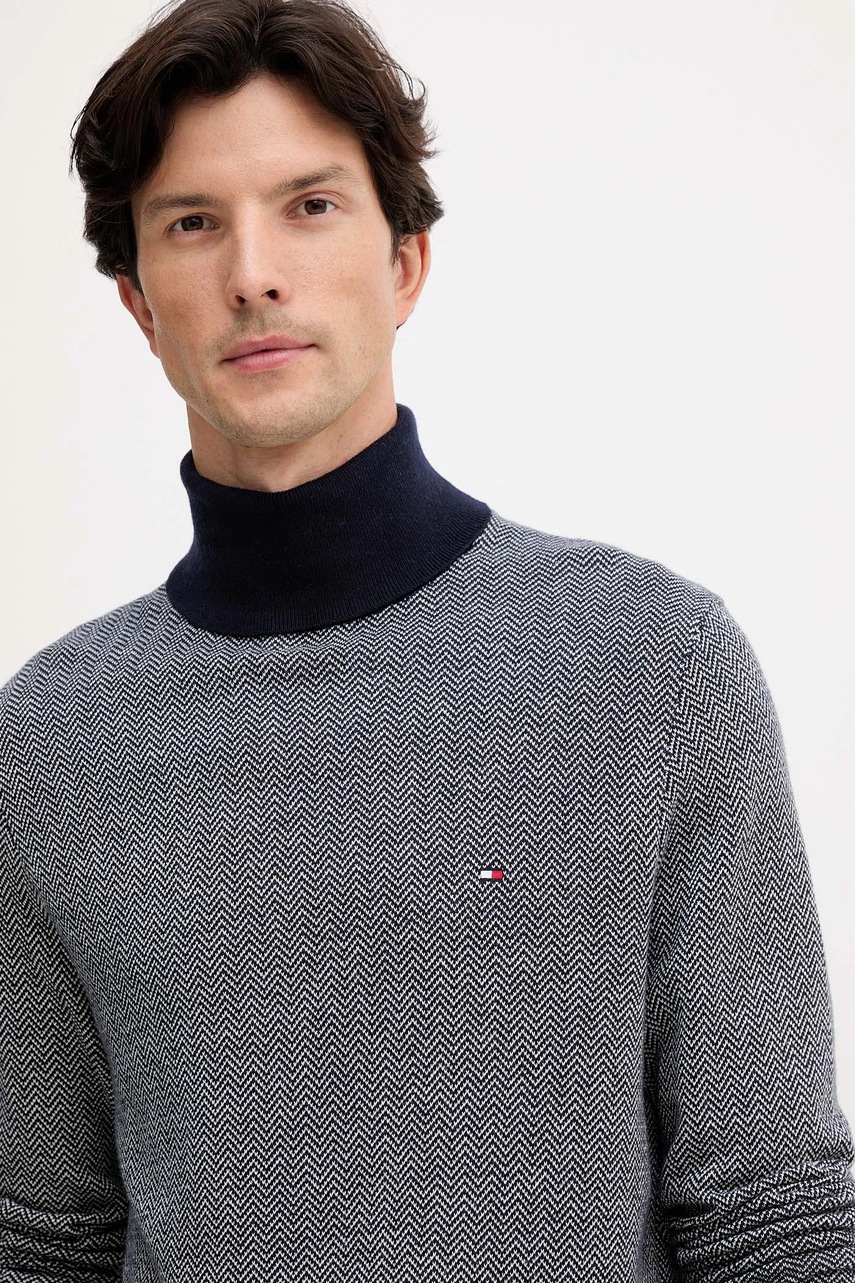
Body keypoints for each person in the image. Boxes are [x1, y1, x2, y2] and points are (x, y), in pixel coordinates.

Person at [2, 0, 853, 1278]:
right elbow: (42, 1239)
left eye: (310, 205)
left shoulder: (652, 669)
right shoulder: (49, 746)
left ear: (406, 262)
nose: (253, 273)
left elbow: (774, 1218)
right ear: (137, 300)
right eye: (192, 223)